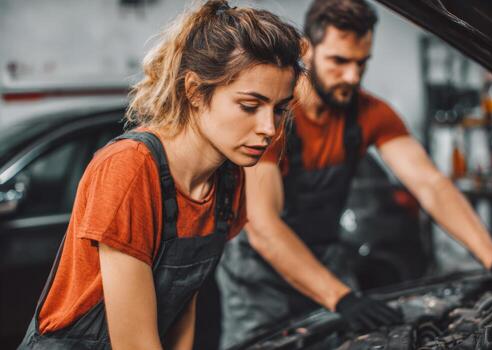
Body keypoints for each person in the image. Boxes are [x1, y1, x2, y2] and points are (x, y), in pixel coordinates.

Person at [217, 0, 492, 347]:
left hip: (326, 259)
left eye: (361, 63)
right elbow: (264, 227)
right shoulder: (274, 120)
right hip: (258, 282)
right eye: (339, 61)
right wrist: (341, 298)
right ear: (308, 50)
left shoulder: (370, 114)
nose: (352, 76)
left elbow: (430, 184)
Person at [17, 1, 303, 349]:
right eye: (249, 106)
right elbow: (134, 344)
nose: (269, 128)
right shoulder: (130, 168)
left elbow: (182, 300)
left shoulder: (227, 181)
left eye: (279, 109)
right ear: (195, 91)